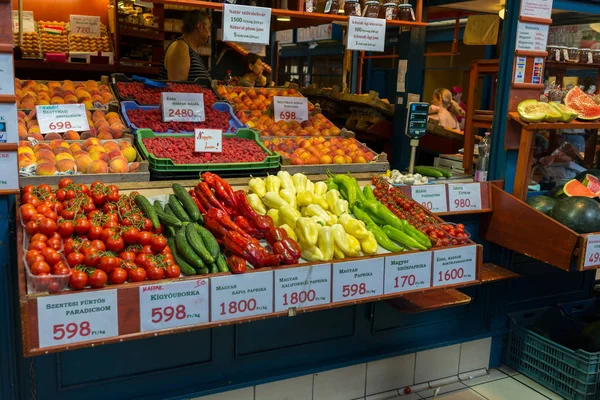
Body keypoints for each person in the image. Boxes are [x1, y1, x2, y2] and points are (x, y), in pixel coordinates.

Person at [159, 10, 212, 81]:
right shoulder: (180, 48)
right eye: (208, 28)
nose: (209, 34)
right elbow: (177, 88)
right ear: (199, 26)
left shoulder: (189, 50)